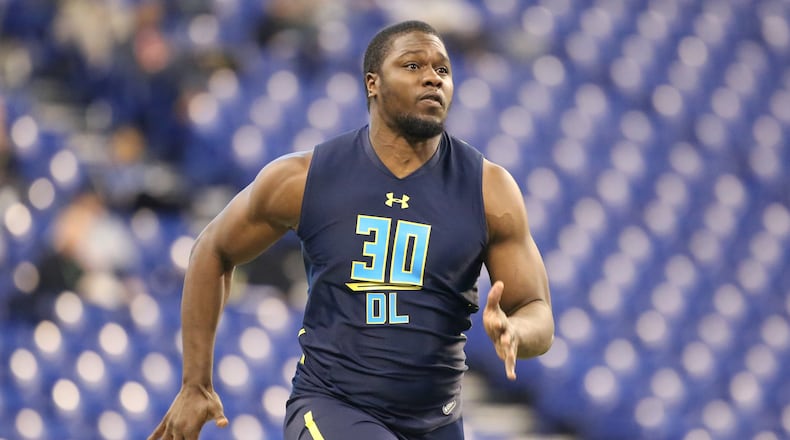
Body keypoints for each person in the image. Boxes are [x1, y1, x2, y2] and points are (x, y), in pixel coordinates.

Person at [148, 20, 553, 440]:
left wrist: (516, 332)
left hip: (438, 421)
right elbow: (211, 250)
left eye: (443, 70)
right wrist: (195, 383)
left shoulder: (488, 189)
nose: (434, 77)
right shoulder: (306, 177)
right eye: (413, 66)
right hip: (330, 406)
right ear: (372, 83)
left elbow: (537, 311)